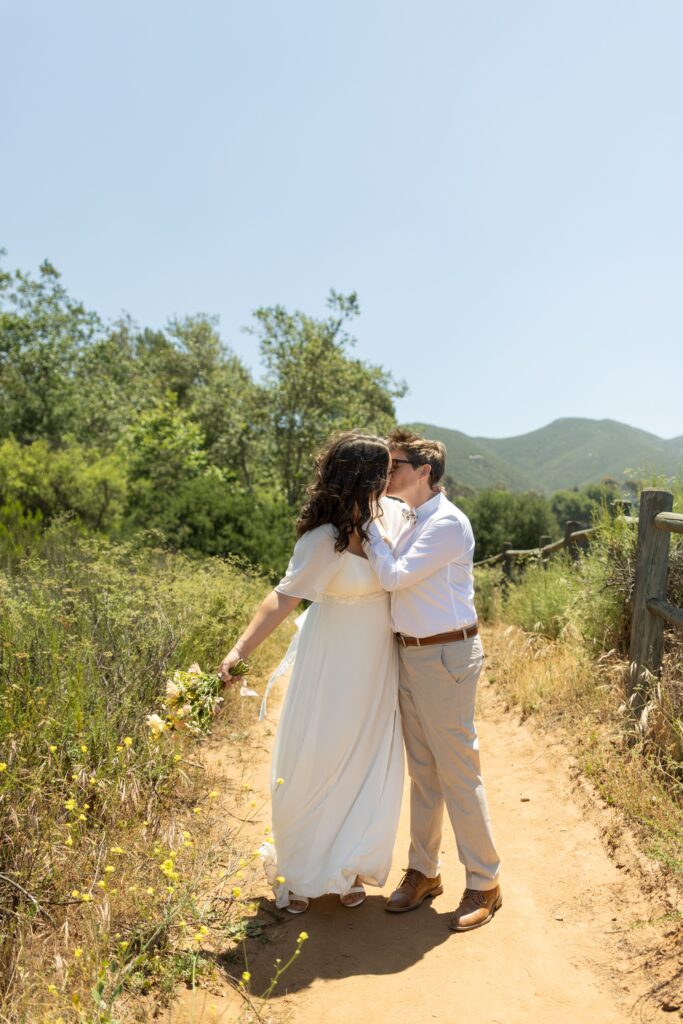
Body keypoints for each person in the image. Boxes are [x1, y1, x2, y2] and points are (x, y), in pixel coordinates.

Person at [218, 431, 405, 914]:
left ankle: (349, 866)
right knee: (319, 757)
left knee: (368, 758)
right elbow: (283, 598)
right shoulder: (323, 539)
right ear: (364, 477)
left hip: (377, 661)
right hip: (332, 659)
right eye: (384, 472)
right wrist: (239, 650)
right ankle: (300, 871)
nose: (391, 479)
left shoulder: (389, 520)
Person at [363, 428, 502, 932]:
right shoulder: (410, 517)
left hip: (445, 655)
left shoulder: (446, 523)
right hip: (412, 653)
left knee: (458, 771)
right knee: (423, 771)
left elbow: (394, 576)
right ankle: (424, 871)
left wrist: (367, 528)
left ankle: (485, 881)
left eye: (395, 465)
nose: (387, 473)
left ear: (424, 472)